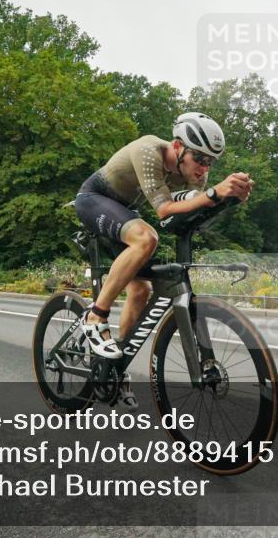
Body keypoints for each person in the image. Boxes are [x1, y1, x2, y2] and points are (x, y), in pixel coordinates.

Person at [73, 112, 252, 409]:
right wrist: (213, 193)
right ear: (178, 146)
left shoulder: (197, 174)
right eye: (199, 158)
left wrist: (226, 198)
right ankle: (95, 317)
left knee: (140, 290)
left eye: (210, 161)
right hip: (94, 199)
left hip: (126, 211)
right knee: (147, 238)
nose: (204, 167)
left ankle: (116, 368)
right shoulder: (149, 150)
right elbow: (165, 211)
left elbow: (191, 207)